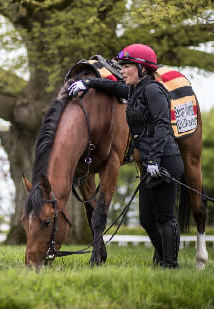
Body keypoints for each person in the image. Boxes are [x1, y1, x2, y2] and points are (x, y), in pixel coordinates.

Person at [68, 44, 182, 268]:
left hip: (165, 159)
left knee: (166, 217)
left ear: (142, 69)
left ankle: (170, 264)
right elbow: (110, 86)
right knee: (147, 220)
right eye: (122, 66)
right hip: (151, 162)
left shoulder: (154, 91)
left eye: (127, 66)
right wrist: (87, 82)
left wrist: (154, 160)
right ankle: (161, 258)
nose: (122, 70)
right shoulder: (135, 90)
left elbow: (162, 126)